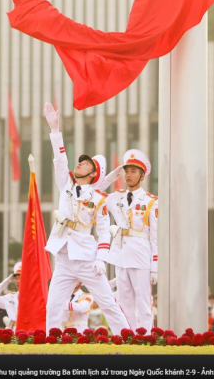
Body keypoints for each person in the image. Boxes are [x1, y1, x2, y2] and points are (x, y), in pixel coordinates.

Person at [42, 102, 130, 334]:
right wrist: (55, 130)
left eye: (85, 163)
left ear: (93, 174)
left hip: (87, 260)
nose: (79, 163)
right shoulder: (66, 185)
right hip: (64, 258)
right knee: (52, 307)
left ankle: (130, 339)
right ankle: (50, 346)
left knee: (108, 303)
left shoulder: (99, 199)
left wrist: (101, 259)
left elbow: (103, 232)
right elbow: (60, 161)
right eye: (80, 161)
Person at [105, 149, 158, 331]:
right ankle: (127, 337)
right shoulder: (116, 198)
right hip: (120, 255)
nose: (128, 175)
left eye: (133, 171)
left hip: (141, 255)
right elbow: (93, 193)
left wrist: (155, 266)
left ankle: (146, 338)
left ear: (142, 176)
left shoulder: (151, 201)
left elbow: (155, 237)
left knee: (144, 303)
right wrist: (109, 179)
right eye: (126, 171)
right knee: (124, 302)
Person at [0, 261, 22, 329]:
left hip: (28, 332)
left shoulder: (33, 298)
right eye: (16, 278)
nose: (17, 281)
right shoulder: (10, 298)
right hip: (12, 332)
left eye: (20, 277)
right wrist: (1, 286)